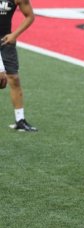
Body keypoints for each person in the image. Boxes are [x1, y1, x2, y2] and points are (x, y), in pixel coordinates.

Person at [0, 0, 37, 131]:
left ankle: (20, 119)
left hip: (5, 41)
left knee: (13, 79)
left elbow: (30, 16)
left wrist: (14, 35)